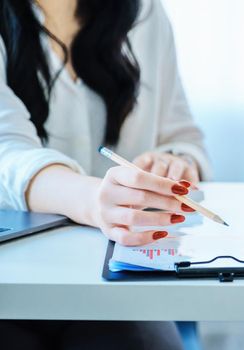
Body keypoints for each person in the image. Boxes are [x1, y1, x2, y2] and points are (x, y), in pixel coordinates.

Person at [0, 0, 210, 348]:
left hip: (115, 287)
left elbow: (183, 137)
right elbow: (6, 151)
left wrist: (174, 161)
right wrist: (93, 201)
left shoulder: (144, 13)